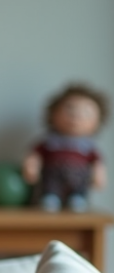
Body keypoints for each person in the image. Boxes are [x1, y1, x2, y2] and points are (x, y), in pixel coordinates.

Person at [22, 83, 108, 212]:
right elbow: (35, 155)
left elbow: (97, 162)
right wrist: (31, 165)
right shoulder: (49, 141)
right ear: (53, 114)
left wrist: (99, 174)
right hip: (52, 180)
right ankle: (50, 198)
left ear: (97, 121)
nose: (76, 116)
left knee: (79, 194)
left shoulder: (89, 147)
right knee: (50, 190)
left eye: (85, 113)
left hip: (78, 182)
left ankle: (77, 198)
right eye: (70, 109)